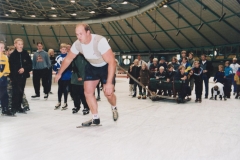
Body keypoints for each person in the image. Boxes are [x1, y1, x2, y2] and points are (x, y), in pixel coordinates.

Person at [55, 23, 118, 126]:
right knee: (88, 92)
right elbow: (68, 59)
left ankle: (114, 107)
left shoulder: (99, 41)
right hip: (92, 67)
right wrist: (59, 73)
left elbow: (112, 62)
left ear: (88, 32)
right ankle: (95, 118)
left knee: (108, 94)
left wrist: (109, 82)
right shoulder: (77, 44)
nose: (79, 37)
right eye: (77, 34)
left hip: (105, 67)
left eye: (81, 34)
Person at [9, 38, 32, 114]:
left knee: (21, 92)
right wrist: (12, 77)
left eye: (21, 44)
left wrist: (24, 69)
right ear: (15, 45)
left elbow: (30, 64)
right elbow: (11, 67)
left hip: (23, 76)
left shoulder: (25, 53)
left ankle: (19, 107)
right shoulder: (12, 55)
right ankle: (14, 107)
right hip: (15, 77)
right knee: (15, 92)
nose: (20, 46)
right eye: (19, 44)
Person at [53, 43, 72, 110]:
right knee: (60, 88)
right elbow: (56, 65)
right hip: (59, 75)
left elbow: (70, 66)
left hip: (66, 75)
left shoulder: (68, 56)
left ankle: (65, 102)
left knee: (65, 89)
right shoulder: (58, 57)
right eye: (62, 49)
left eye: (65, 49)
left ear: (67, 50)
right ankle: (59, 101)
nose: (63, 50)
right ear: (60, 50)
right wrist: (55, 68)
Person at [0, 41, 13, 116]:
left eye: (3, 47)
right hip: (2, 77)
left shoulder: (5, 57)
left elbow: (7, 70)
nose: (2, 49)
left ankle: (5, 109)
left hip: (3, 79)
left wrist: (2, 75)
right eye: (0, 47)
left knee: (4, 95)